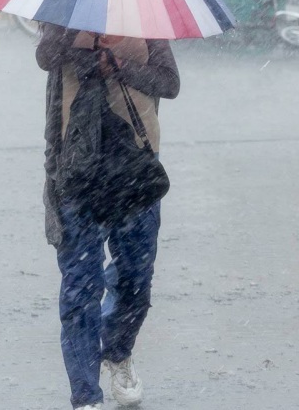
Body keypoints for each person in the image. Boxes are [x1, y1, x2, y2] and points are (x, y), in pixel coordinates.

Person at [36, 24, 180, 409]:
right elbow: (45, 58)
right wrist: (77, 39)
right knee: (81, 284)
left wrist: (118, 66)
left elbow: (169, 82)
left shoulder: (145, 18)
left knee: (136, 278)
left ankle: (117, 351)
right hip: (76, 167)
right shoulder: (64, 16)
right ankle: (85, 396)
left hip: (134, 166)